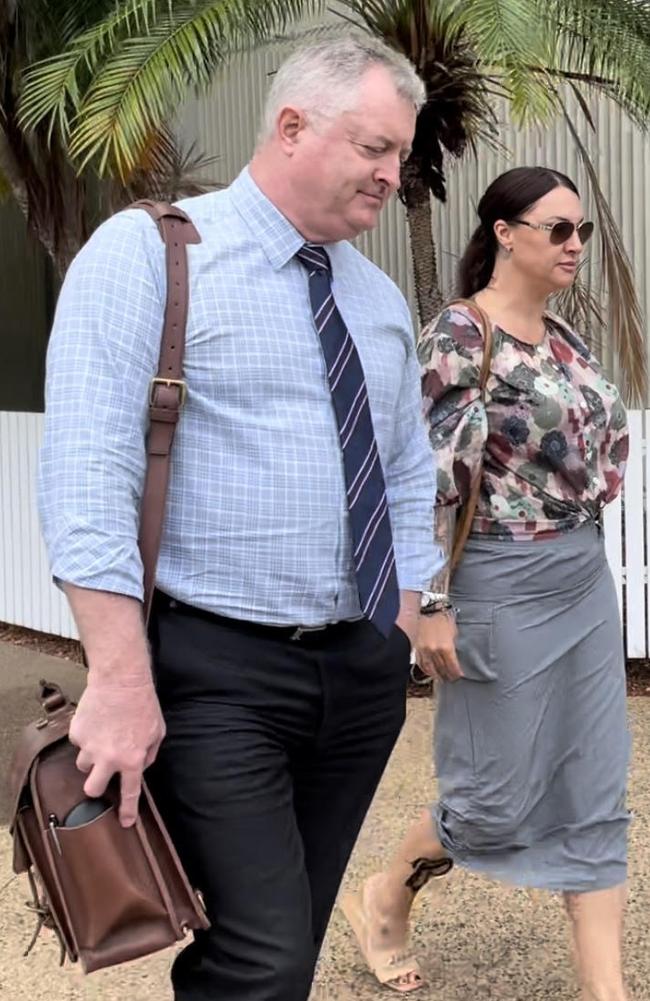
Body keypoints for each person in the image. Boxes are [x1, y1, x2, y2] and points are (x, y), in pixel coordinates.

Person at [37, 35, 439, 1001]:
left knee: (283, 945)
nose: (393, 175)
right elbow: (88, 472)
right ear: (293, 126)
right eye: (374, 148)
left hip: (358, 671)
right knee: (259, 954)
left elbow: (406, 470)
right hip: (217, 672)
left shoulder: (372, 297)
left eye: (400, 155)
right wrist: (121, 677)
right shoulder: (153, 254)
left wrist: (405, 617)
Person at [340, 166, 632, 1000]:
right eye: (558, 228)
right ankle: (387, 892)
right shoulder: (461, 335)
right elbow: (425, 479)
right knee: (493, 800)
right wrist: (430, 600)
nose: (576, 243)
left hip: (581, 576)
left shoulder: (565, 339)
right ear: (505, 232)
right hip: (497, 580)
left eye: (581, 230)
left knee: (593, 784)